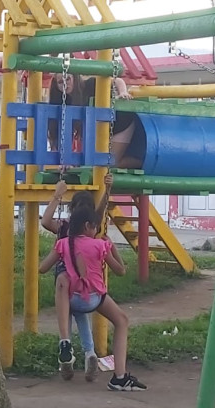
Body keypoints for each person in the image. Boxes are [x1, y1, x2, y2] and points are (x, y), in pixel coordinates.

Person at [39, 205, 146, 391]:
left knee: (63, 283)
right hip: (95, 298)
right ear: (88, 226)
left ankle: (65, 341)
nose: (96, 230)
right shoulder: (100, 245)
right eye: (95, 227)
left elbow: (42, 268)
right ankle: (119, 377)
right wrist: (111, 247)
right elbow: (121, 271)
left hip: (71, 298)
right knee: (121, 321)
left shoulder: (63, 243)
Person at [41, 174, 112, 382]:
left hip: (65, 281)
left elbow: (45, 221)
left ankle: (66, 352)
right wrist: (107, 192)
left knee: (67, 312)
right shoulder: (93, 232)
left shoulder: (64, 228)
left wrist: (57, 195)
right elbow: (99, 214)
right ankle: (90, 353)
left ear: (72, 210)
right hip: (87, 286)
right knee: (80, 311)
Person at [48, 73, 146, 169]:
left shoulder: (90, 84)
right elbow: (61, 133)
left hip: (121, 122)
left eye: (68, 79)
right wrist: (65, 160)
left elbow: (117, 81)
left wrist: (123, 92)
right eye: (61, 82)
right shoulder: (65, 101)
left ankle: (141, 162)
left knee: (110, 162)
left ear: (75, 78)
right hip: (99, 128)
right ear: (56, 86)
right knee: (96, 161)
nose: (65, 84)